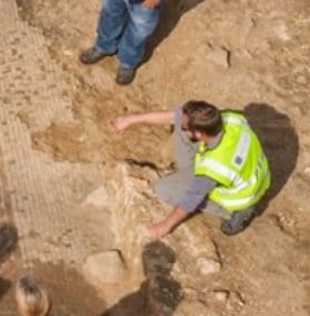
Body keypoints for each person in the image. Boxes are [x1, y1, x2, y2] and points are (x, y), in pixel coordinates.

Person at [112, 100, 271, 237]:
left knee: (163, 189)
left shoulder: (215, 166)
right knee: (181, 129)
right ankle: (187, 174)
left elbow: (191, 199)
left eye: (188, 127)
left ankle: (236, 212)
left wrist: (165, 225)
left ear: (200, 134)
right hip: (251, 170)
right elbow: (176, 117)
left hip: (242, 195)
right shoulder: (228, 119)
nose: (182, 125)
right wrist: (131, 119)